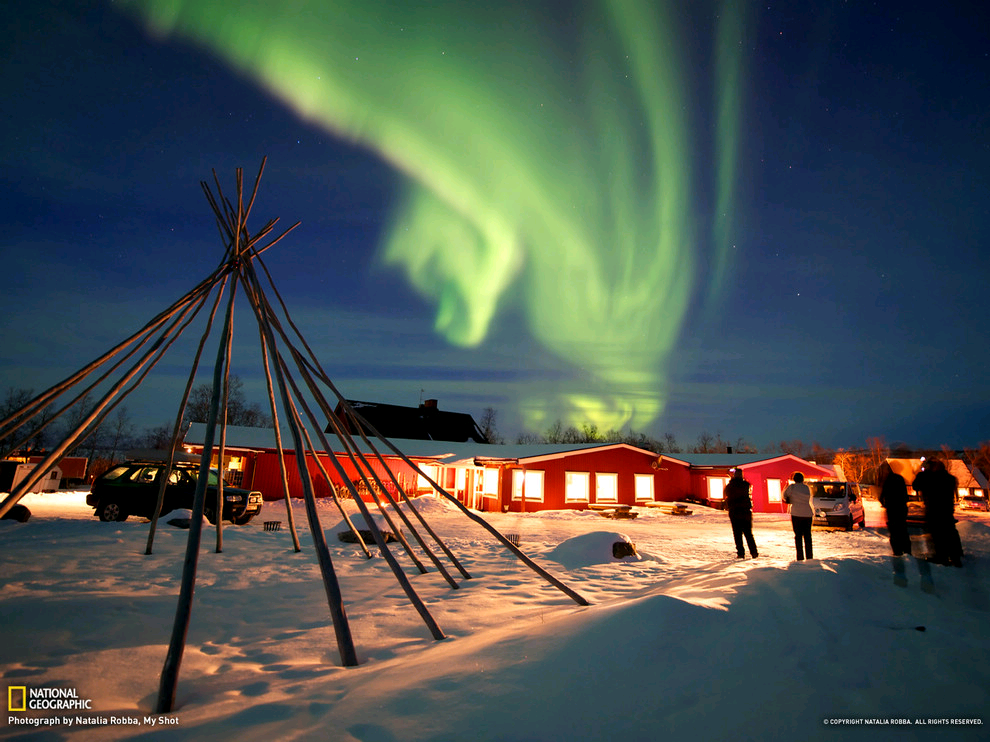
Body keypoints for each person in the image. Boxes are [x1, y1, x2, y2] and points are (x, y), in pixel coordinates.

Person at [912, 458, 963, 567]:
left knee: (938, 535)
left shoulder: (929, 478)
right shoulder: (950, 479)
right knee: (949, 533)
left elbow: (916, 486)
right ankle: (955, 557)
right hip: (947, 510)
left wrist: (923, 473)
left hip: (934, 510)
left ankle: (941, 557)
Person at [724, 467, 758, 558]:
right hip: (745, 511)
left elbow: (726, 493)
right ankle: (754, 552)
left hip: (734, 510)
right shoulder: (746, 485)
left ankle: (740, 553)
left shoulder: (730, 485)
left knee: (737, 533)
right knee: (748, 533)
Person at [877, 462, 910, 557]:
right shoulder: (900, 478)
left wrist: (885, 504)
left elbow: (881, 496)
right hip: (901, 508)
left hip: (892, 509)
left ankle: (897, 551)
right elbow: (905, 495)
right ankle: (907, 550)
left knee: (894, 531)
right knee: (903, 530)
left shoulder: (887, 480)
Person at [782, 472, 814, 560]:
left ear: (794, 479)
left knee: (798, 535)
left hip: (796, 513)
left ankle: (800, 556)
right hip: (808, 513)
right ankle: (809, 556)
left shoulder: (791, 487)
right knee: (808, 535)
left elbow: (784, 496)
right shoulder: (807, 487)